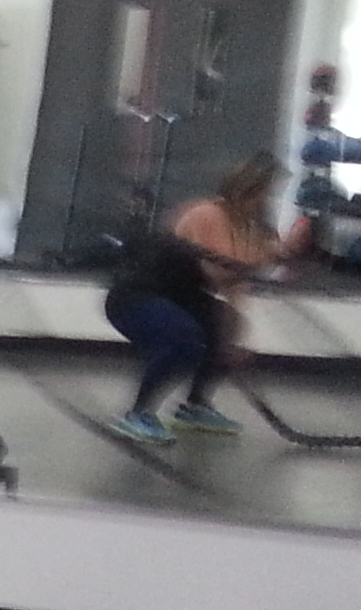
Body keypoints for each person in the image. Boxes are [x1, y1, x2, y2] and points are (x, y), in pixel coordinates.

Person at [101, 153, 310, 443]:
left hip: (180, 296)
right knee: (185, 338)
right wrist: (266, 258)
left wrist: (229, 342)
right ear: (246, 189)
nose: (267, 200)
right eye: (265, 192)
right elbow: (217, 272)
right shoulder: (207, 214)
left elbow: (236, 284)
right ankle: (137, 413)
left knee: (228, 325)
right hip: (136, 296)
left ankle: (194, 406)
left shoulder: (250, 230)